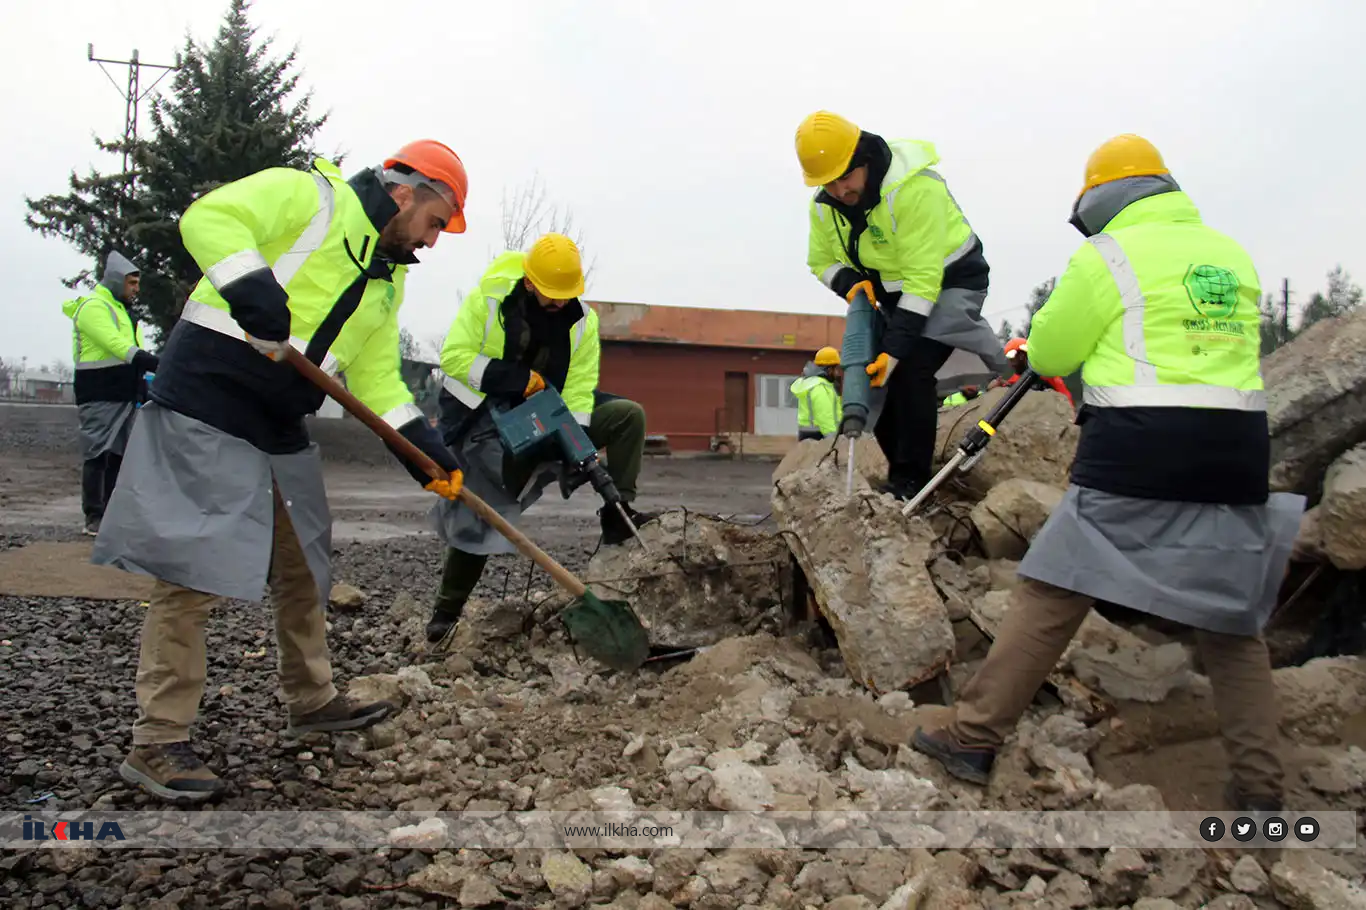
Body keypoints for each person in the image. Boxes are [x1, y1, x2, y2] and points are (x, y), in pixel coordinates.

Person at [911, 134, 1305, 813]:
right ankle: (1261, 792)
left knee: (1054, 587)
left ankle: (974, 735)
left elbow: (1055, 350)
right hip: (1237, 448)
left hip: (1140, 445)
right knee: (1231, 624)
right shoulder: (1229, 254)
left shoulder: (1108, 255)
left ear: (1101, 199)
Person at [92, 140, 471, 801]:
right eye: (437, 222)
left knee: (303, 564)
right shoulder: (309, 199)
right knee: (190, 570)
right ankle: (157, 741)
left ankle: (311, 699)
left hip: (279, 418)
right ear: (406, 194)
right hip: (210, 393)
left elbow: (377, 379)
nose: (434, 241)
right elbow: (209, 218)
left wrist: (423, 448)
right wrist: (249, 284)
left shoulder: (385, 280)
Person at [426, 233, 659, 648]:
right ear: (530, 283)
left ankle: (617, 513)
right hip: (481, 413)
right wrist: (519, 379)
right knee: (487, 502)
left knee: (628, 416)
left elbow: (581, 388)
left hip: (545, 408)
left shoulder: (582, 319)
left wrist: (577, 443)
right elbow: (455, 358)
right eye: (551, 294)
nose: (558, 303)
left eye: (565, 295)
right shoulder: (491, 300)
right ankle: (447, 612)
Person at [796, 110, 1009, 500]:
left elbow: (924, 280)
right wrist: (849, 283)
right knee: (875, 385)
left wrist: (894, 351)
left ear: (864, 159)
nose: (840, 190)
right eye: (829, 182)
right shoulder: (824, 205)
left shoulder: (914, 188)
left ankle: (912, 485)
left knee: (910, 371)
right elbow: (819, 262)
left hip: (951, 282)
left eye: (845, 177)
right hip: (893, 296)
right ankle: (903, 476)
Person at [62, 251, 158, 535]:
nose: (136, 289)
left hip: (125, 391)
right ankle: (94, 516)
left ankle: (113, 513)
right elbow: (115, 344)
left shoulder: (124, 312)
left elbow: (127, 350)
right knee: (97, 453)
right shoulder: (94, 307)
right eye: (132, 283)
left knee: (120, 454)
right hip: (99, 391)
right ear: (117, 281)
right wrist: (152, 361)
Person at [997, 337, 1074, 407]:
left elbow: (1067, 401)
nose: (1011, 363)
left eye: (1013, 357)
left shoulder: (1047, 376)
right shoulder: (1012, 383)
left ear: (1023, 355)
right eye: (1009, 358)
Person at [791, 346, 843, 440]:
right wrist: (832, 438)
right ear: (828, 369)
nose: (837, 373)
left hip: (809, 435)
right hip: (819, 436)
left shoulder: (812, 383)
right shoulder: (819, 386)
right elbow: (824, 415)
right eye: (835, 369)